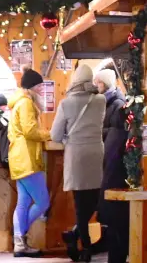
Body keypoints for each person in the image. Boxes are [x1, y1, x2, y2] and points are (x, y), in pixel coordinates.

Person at [52, 64, 106, 263]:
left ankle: (85, 246)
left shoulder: (66, 103)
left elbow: (55, 135)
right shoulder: (101, 100)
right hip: (96, 154)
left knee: (80, 203)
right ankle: (79, 239)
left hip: (76, 155)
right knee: (93, 201)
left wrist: (68, 139)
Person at [8, 68, 54, 257]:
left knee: (23, 202)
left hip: (20, 157)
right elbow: (30, 131)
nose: (43, 89)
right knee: (43, 202)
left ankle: (20, 243)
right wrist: (51, 134)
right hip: (27, 158)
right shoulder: (26, 103)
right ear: (32, 87)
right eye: (40, 86)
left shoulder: (20, 102)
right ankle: (19, 236)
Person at [100, 78, 131, 263]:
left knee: (115, 244)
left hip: (110, 197)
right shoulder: (127, 139)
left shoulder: (112, 135)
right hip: (119, 199)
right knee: (123, 240)